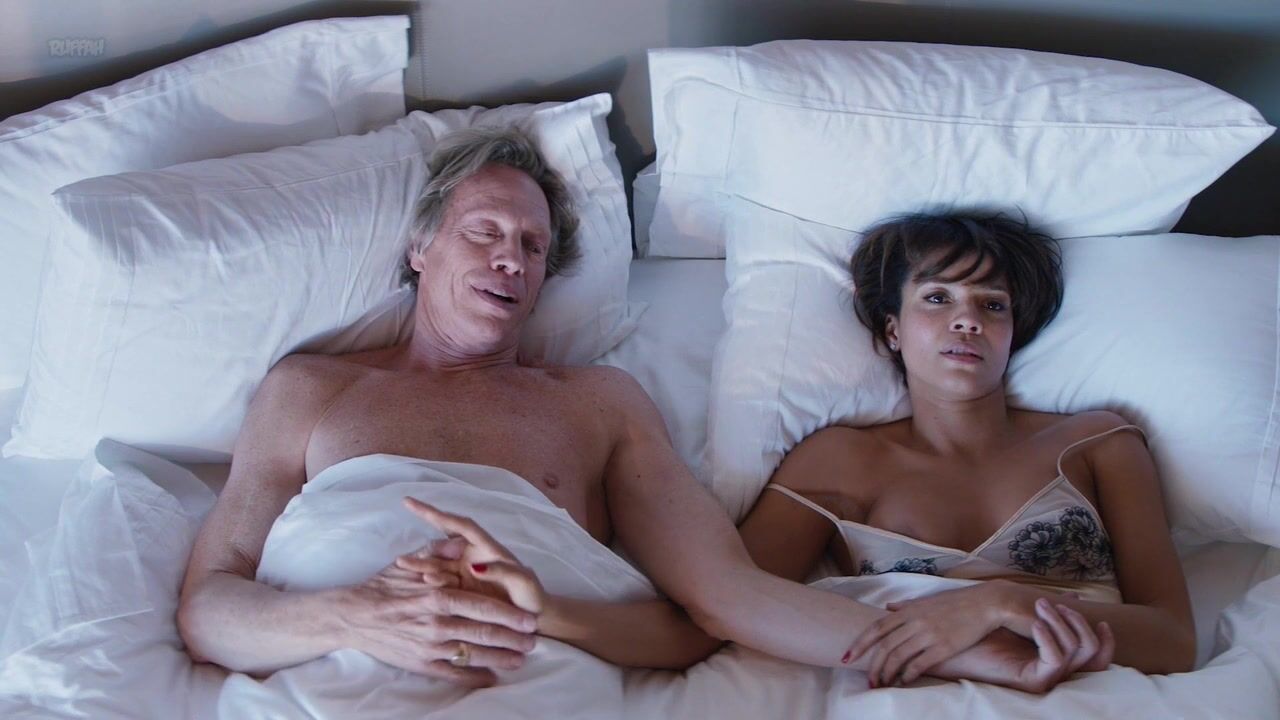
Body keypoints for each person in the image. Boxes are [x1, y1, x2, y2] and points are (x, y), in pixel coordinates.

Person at [177, 128, 1107, 692]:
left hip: (525, 683)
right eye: (485, 232)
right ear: (421, 249)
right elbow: (210, 607)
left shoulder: (597, 405)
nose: (510, 259)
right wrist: (354, 617)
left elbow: (716, 607)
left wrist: (963, 650)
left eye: (533, 247)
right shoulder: (312, 389)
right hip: (326, 676)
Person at [736, 213, 1194, 689]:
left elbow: (1175, 639)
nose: (968, 320)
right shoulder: (837, 460)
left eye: (993, 305)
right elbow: (729, 598)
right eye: (937, 298)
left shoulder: (1097, 442)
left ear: (1012, 332)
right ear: (893, 330)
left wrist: (1002, 603)